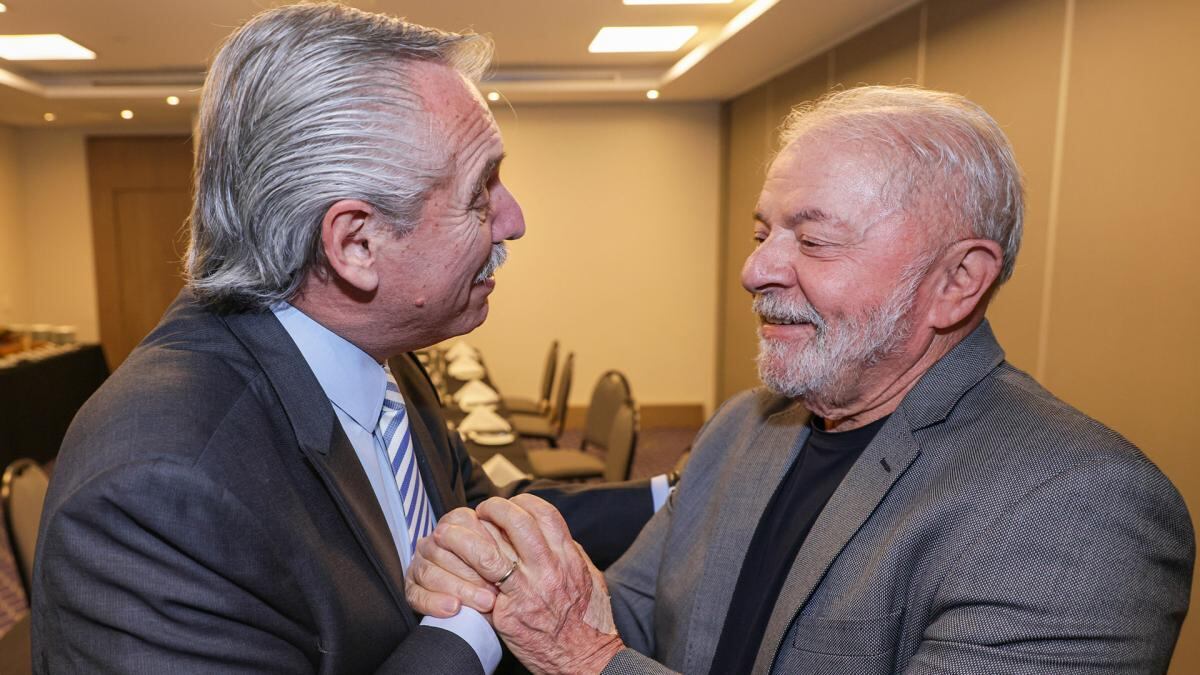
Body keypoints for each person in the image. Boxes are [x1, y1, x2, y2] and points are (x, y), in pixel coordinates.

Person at [405, 86, 1195, 674]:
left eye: (813, 241)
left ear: (957, 281)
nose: (756, 270)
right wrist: (503, 580)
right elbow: (630, 620)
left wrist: (583, 654)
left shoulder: (1078, 506)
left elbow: (596, 646)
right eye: (763, 233)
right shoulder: (744, 429)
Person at [31, 4, 662, 673]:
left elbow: (477, 519)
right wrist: (477, 617)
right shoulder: (159, 491)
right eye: (480, 191)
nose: (514, 219)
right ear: (356, 244)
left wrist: (676, 493)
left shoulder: (373, 348)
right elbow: (473, 572)